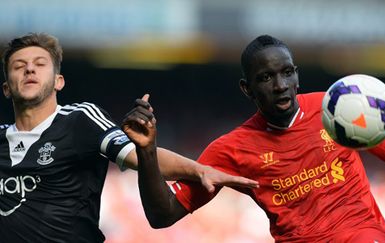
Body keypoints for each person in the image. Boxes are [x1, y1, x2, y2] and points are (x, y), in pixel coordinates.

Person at [123, 35, 385, 242]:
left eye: (286, 73)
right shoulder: (232, 149)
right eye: (266, 78)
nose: (281, 85)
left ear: (297, 74)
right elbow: (162, 215)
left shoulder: (339, 107)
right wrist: (147, 151)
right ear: (247, 88)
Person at [0, 33, 258, 242]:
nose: (29, 70)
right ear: (6, 88)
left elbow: (140, 156)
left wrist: (199, 171)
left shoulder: (79, 119)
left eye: (40, 64)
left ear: (59, 82)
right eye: (19, 66)